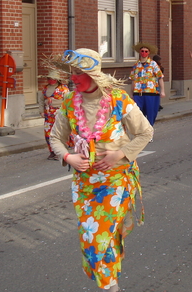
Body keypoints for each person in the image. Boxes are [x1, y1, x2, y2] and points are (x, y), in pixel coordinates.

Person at [49, 48, 153, 292]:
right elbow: (55, 137)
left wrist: (120, 154)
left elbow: (145, 132)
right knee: (91, 237)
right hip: (84, 183)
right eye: (71, 72)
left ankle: (110, 288)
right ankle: (112, 284)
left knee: (98, 239)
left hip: (116, 180)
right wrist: (68, 157)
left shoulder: (118, 99)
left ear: (94, 74)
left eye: (79, 73)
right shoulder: (68, 103)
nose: (73, 78)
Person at [129, 42, 165, 127]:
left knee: (151, 113)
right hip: (138, 93)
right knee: (138, 114)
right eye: (142, 51)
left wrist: (162, 91)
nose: (144, 53)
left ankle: (149, 132)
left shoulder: (153, 64)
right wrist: (131, 93)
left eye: (146, 51)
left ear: (149, 52)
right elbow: (133, 80)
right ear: (139, 52)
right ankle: (141, 133)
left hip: (151, 93)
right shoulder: (135, 65)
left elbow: (160, 77)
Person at [40, 69, 70, 160]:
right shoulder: (45, 88)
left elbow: (68, 102)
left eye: (53, 78)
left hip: (59, 114)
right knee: (48, 134)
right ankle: (52, 151)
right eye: (49, 78)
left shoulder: (63, 89)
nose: (51, 80)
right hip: (48, 115)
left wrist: (66, 113)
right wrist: (41, 111)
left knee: (59, 133)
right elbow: (41, 100)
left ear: (57, 79)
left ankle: (60, 152)